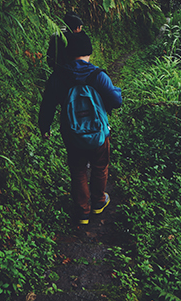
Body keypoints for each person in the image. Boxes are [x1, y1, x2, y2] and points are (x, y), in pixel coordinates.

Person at [38, 31, 123, 224]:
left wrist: (44, 127)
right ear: (88, 52)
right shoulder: (97, 75)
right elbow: (116, 101)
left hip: (72, 134)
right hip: (98, 134)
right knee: (100, 166)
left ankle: (83, 212)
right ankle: (99, 202)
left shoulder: (58, 77)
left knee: (78, 170)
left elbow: (48, 106)